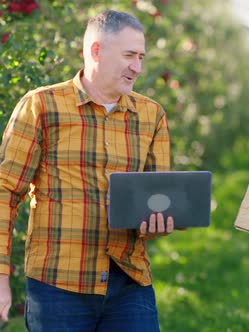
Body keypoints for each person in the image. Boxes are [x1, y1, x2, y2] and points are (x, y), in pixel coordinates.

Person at [0, 10, 174, 331]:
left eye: (141, 57)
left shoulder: (151, 116)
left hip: (129, 281)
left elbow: (157, 200)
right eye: (129, 56)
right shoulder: (42, 106)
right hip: (58, 284)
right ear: (96, 51)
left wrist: (157, 224)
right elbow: (5, 192)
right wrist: (1, 277)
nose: (138, 67)